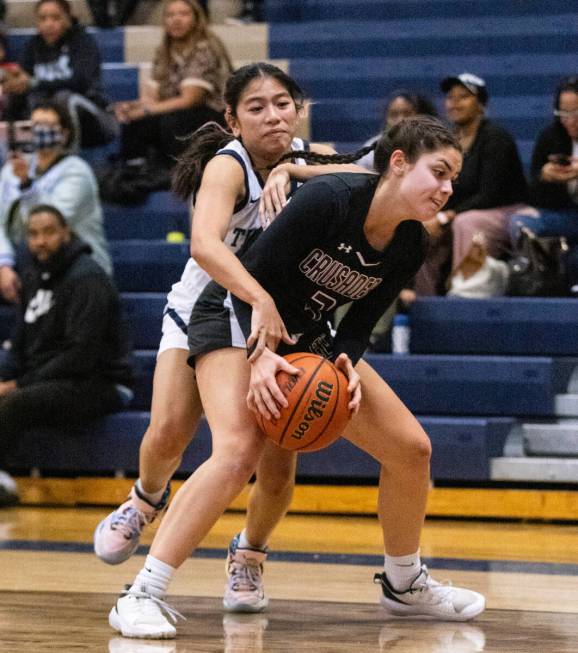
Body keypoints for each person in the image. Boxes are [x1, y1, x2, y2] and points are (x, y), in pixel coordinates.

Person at [107, 116, 486, 639]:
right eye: (438, 173)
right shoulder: (332, 199)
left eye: (453, 180)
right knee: (238, 450)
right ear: (398, 164)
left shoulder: (409, 244)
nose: (446, 189)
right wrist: (259, 356)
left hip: (304, 333)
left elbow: (357, 323)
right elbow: (253, 274)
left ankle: (404, 583)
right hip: (234, 313)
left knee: (411, 448)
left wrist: (346, 362)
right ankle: (142, 593)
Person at [94, 63, 365, 611]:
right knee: (170, 430)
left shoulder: (313, 153)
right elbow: (204, 246)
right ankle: (145, 500)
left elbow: (375, 178)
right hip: (208, 307)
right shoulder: (228, 165)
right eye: (257, 107)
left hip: (282, 319)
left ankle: (249, 558)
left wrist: (301, 173)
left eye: (282, 103)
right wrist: (258, 296)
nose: (273, 115)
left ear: (298, 108)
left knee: (280, 455)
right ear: (233, 119)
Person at [0, 204, 132, 506]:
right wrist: (7, 375)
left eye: (48, 232)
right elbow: (19, 341)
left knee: (16, 402)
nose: (40, 241)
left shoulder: (87, 278)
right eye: (33, 234)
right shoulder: (33, 276)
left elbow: (81, 354)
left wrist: (17, 385)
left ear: (66, 233)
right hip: (53, 378)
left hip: (100, 382)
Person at [414, 73, 528, 296]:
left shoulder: (496, 138)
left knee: (467, 223)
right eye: (450, 97)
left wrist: (445, 217)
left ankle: (465, 295)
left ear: (481, 105)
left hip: (505, 210)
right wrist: (433, 216)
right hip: (463, 210)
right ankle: (423, 300)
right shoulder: (446, 142)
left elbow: (490, 194)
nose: (454, 102)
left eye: (463, 96)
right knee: (420, 228)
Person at [0, 100, 111, 303]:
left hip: (72, 264)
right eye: (34, 126)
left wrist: (26, 185)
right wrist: (3, 264)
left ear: (65, 133)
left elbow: (46, 227)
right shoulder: (11, 169)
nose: (40, 131)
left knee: (32, 245)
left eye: (48, 126)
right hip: (18, 262)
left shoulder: (77, 171)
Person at [114, 0, 233, 169]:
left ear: (196, 18)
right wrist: (132, 108)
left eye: (183, 14)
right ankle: (133, 171)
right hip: (177, 113)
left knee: (173, 121)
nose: (176, 20)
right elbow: (152, 98)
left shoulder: (205, 48)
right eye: (170, 15)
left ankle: (178, 170)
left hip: (213, 116)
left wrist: (145, 110)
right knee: (134, 121)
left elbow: (190, 99)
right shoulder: (163, 51)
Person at [2, 0, 117, 149]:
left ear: (69, 18)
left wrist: (34, 83)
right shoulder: (32, 46)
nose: (49, 24)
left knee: (63, 98)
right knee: (23, 97)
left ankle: (64, 156)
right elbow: (23, 81)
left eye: (56, 18)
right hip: (51, 120)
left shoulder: (83, 42)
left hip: (95, 118)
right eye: (43, 19)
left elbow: (80, 82)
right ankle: (20, 154)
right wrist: (14, 83)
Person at [508, 76, 578, 245]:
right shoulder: (550, 136)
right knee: (520, 222)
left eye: (576, 113)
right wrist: (545, 177)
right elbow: (533, 194)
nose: (570, 121)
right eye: (563, 114)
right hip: (565, 215)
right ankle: (531, 267)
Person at [357, 89, 437, 172]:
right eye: (393, 115)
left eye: (407, 113)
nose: (400, 120)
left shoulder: (434, 145)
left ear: (422, 116)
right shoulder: (372, 149)